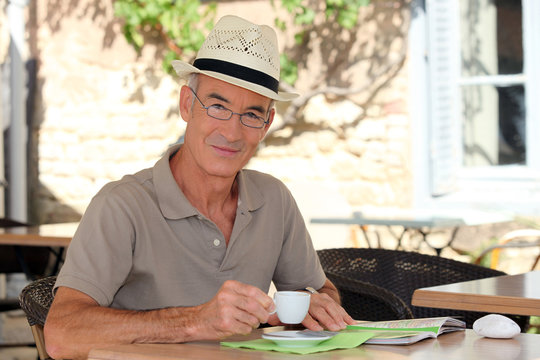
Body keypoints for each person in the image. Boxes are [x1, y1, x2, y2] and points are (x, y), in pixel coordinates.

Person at [44, 15, 354, 359]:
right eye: (218, 106)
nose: (233, 133)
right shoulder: (122, 205)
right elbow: (61, 335)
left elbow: (318, 291)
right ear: (187, 105)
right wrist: (194, 321)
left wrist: (317, 306)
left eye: (251, 115)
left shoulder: (274, 200)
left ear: (266, 124)